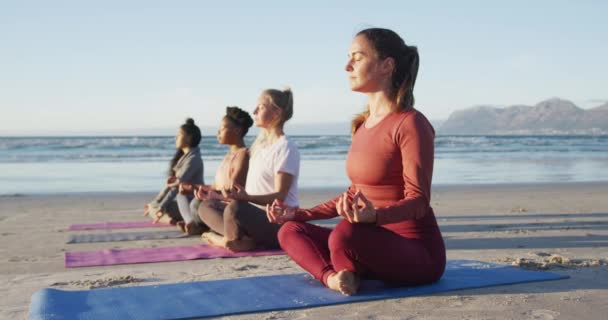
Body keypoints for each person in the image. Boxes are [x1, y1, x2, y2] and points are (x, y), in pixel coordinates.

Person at [267, 28, 446, 296]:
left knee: (345, 234)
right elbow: (354, 193)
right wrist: (300, 214)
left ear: (387, 66)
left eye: (358, 57)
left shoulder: (410, 123)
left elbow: (419, 200)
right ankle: (335, 277)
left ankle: (349, 267)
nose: (347, 66)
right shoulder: (362, 126)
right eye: (348, 57)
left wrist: (375, 216)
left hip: (415, 252)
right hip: (367, 241)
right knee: (290, 230)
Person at [199, 88, 300, 252]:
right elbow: (249, 192)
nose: (254, 111)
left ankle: (228, 240)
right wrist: (218, 195)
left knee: (236, 209)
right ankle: (240, 239)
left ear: (276, 112)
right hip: (252, 215)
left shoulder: (286, 147)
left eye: (260, 107)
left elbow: (280, 196)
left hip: (278, 222)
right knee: (207, 206)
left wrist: (246, 198)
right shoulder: (258, 147)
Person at [178, 106, 253, 235]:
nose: (218, 132)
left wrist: (209, 195)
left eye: (222, 128)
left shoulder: (243, 155)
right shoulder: (228, 156)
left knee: (197, 204)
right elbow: (216, 186)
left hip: (232, 207)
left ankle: (208, 228)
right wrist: (193, 187)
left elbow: (234, 191)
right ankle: (201, 226)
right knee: (186, 198)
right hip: (220, 201)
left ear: (237, 130)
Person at [144, 118, 204, 225]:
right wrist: (157, 201)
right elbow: (170, 186)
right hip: (184, 204)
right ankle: (173, 220)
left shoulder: (193, 159)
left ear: (189, 138)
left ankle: (173, 220)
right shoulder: (185, 158)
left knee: (155, 208)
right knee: (152, 206)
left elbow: (176, 186)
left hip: (192, 205)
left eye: (179, 135)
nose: (175, 137)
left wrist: (161, 206)